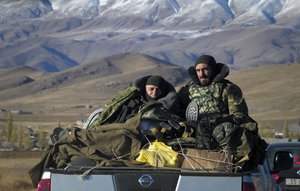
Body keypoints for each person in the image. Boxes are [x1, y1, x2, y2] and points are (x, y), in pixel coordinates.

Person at [176, 54, 267, 171]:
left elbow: (241, 116)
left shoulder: (228, 89)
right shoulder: (187, 90)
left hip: (221, 136)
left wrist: (217, 120)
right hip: (193, 133)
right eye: (198, 70)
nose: (201, 73)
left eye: (205, 69)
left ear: (213, 69)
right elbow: (178, 112)